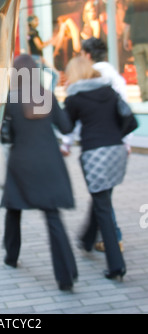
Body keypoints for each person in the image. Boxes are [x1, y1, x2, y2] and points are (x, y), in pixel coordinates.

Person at [0, 54, 78, 291]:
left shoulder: (10, 100)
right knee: (52, 217)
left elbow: (6, 137)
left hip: (21, 163)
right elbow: (66, 127)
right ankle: (66, 277)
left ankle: (11, 256)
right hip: (49, 163)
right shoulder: (47, 96)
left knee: (14, 207)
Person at [64, 56, 127, 281]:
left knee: (102, 206)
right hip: (118, 151)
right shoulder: (109, 90)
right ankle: (87, 240)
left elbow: (66, 126)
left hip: (95, 154)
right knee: (102, 196)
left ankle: (116, 265)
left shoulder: (75, 97)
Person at [123, 0, 148, 103]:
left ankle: (145, 97)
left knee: (140, 70)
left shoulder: (132, 4)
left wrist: (125, 40)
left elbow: (127, 25)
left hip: (137, 42)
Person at [27, 14, 59, 90]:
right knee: (39, 80)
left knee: (55, 75)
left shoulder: (32, 32)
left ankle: (49, 96)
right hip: (37, 58)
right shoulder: (32, 32)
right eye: (36, 20)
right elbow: (39, 46)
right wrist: (50, 41)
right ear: (31, 22)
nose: (38, 22)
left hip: (37, 58)